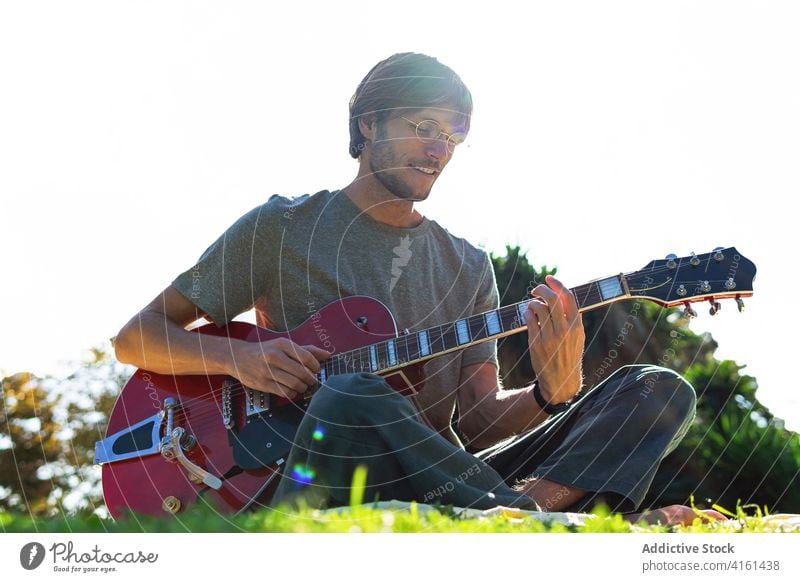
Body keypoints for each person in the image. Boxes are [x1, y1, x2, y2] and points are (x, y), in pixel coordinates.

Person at [114, 52, 724, 526]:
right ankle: (541, 525)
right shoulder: (283, 227)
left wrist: (550, 391)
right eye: (424, 127)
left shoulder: (466, 265)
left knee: (657, 388)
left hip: (449, 482)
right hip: (315, 468)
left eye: (453, 138)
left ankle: (526, 522)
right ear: (369, 123)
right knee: (351, 395)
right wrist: (240, 358)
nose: (439, 151)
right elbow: (135, 337)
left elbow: (479, 421)